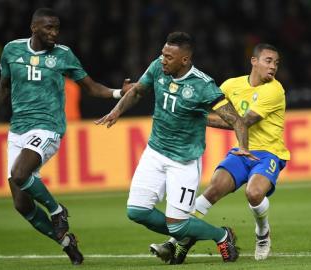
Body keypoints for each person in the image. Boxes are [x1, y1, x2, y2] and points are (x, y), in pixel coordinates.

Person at [95, 31, 254, 263]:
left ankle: (221, 235)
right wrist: (117, 110)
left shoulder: (203, 85)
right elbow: (138, 90)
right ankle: (190, 236)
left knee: (178, 227)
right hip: (155, 152)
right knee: (137, 212)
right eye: (162, 54)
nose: (163, 60)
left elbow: (236, 120)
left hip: (184, 161)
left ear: (185, 60)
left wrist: (243, 146)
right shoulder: (158, 68)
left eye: (169, 57)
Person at [0, 8, 130, 265]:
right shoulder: (12, 50)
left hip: (48, 126)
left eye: (56, 28)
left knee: (20, 174)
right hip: (18, 129)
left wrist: (120, 93)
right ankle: (66, 242)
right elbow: (5, 84)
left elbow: (91, 87)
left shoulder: (63, 55)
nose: (54, 33)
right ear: (34, 28)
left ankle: (57, 210)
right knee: (21, 204)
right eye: (49, 28)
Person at [151, 43, 290, 264]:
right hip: (241, 153)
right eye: (268, 61)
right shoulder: (231, 85)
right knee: (213, 189)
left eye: (276, 63)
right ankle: (174, 241)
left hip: (268, 153)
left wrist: (198, 118)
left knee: (254, 193)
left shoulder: (274, 90)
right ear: (254, 61)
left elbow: (241, 122)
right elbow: (204, 104)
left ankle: (263, 234)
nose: (273, 67)